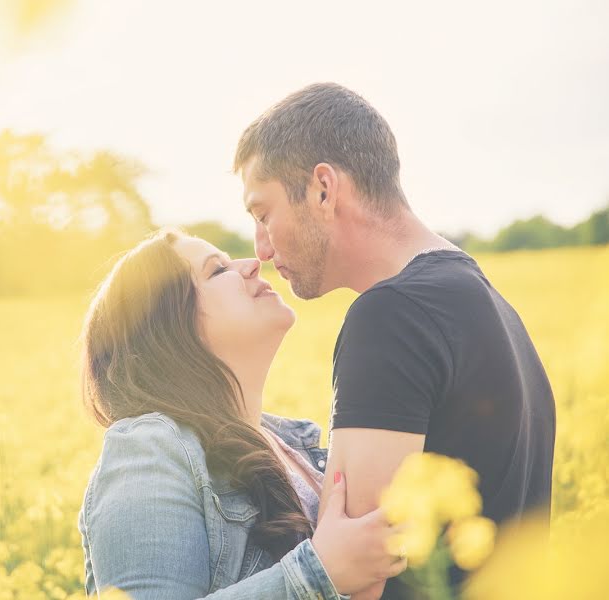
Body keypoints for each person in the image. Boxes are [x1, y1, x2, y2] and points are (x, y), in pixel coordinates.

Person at [233, 82, 556, 599]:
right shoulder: (485, 300)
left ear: (323, 188)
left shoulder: (392, 317)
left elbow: (354, 580)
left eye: (262, 213)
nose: (262, 249)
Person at [77, 229, 408, 599]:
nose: (253, 264)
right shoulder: (152, 447)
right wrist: (320, 574)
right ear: (169, 327)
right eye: (217, 270)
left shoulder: (295, 443)